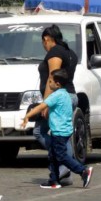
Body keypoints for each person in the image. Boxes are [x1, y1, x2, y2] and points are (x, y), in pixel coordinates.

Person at [22, 69, 93, 189]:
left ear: (58, 84)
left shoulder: (55, 96)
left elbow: (41, 107)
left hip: (59, 132)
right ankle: (54, 181)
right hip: (65, 131)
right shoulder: (65, 95)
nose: (48, 84)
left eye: (50, 81)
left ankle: (83, 171)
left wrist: (27, 116)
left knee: (60, 155)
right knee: (53, 155)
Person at [35, 25, 78, 185]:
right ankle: (64, 171)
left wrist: (46, 104)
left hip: (59, 98)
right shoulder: (70, 53)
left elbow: (52, 80)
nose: (44, 46)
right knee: (63, 136)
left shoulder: (55, 52)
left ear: (47, 39)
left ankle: (63, 163)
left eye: (43, 42)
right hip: (70, 96)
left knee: (39, 131)